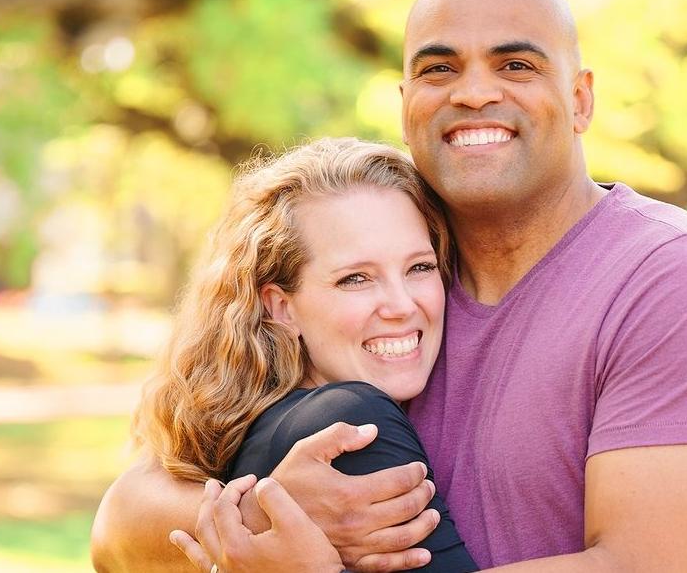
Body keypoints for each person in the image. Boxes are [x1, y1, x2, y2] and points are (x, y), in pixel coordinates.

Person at [94, 0, 687, 572]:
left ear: (580, 99)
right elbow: (121, 524)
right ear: (405, 108)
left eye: (516, 64)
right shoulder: (393, 289)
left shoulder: (680, 282)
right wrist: (257, 516)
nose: (475, 93)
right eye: (439, 68)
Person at [100, 138, 476, 572]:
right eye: (356, 278)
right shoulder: (350, 425)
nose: (402, 305)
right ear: (281, 307)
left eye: (420, 268)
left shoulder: (252, 424)